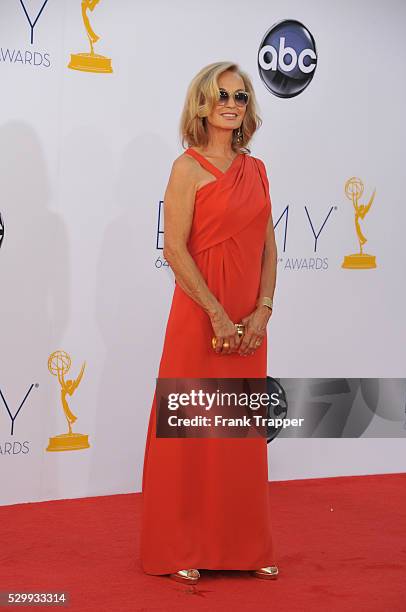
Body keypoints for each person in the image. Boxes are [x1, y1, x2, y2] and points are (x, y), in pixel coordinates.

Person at [140, 61, 278, 584]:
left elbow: (269, 248)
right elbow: (174, 249)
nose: (231, 103)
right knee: (192, 433)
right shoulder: (187, 168)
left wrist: (262, 310)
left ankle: (245, 547)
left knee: (240, 435)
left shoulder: (258, 169)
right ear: (201, 101)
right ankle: (181, 544)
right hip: (199, 319)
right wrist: (217, 313)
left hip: (249, 325)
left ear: (248, 109)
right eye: (221, 94)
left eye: (241, 97)